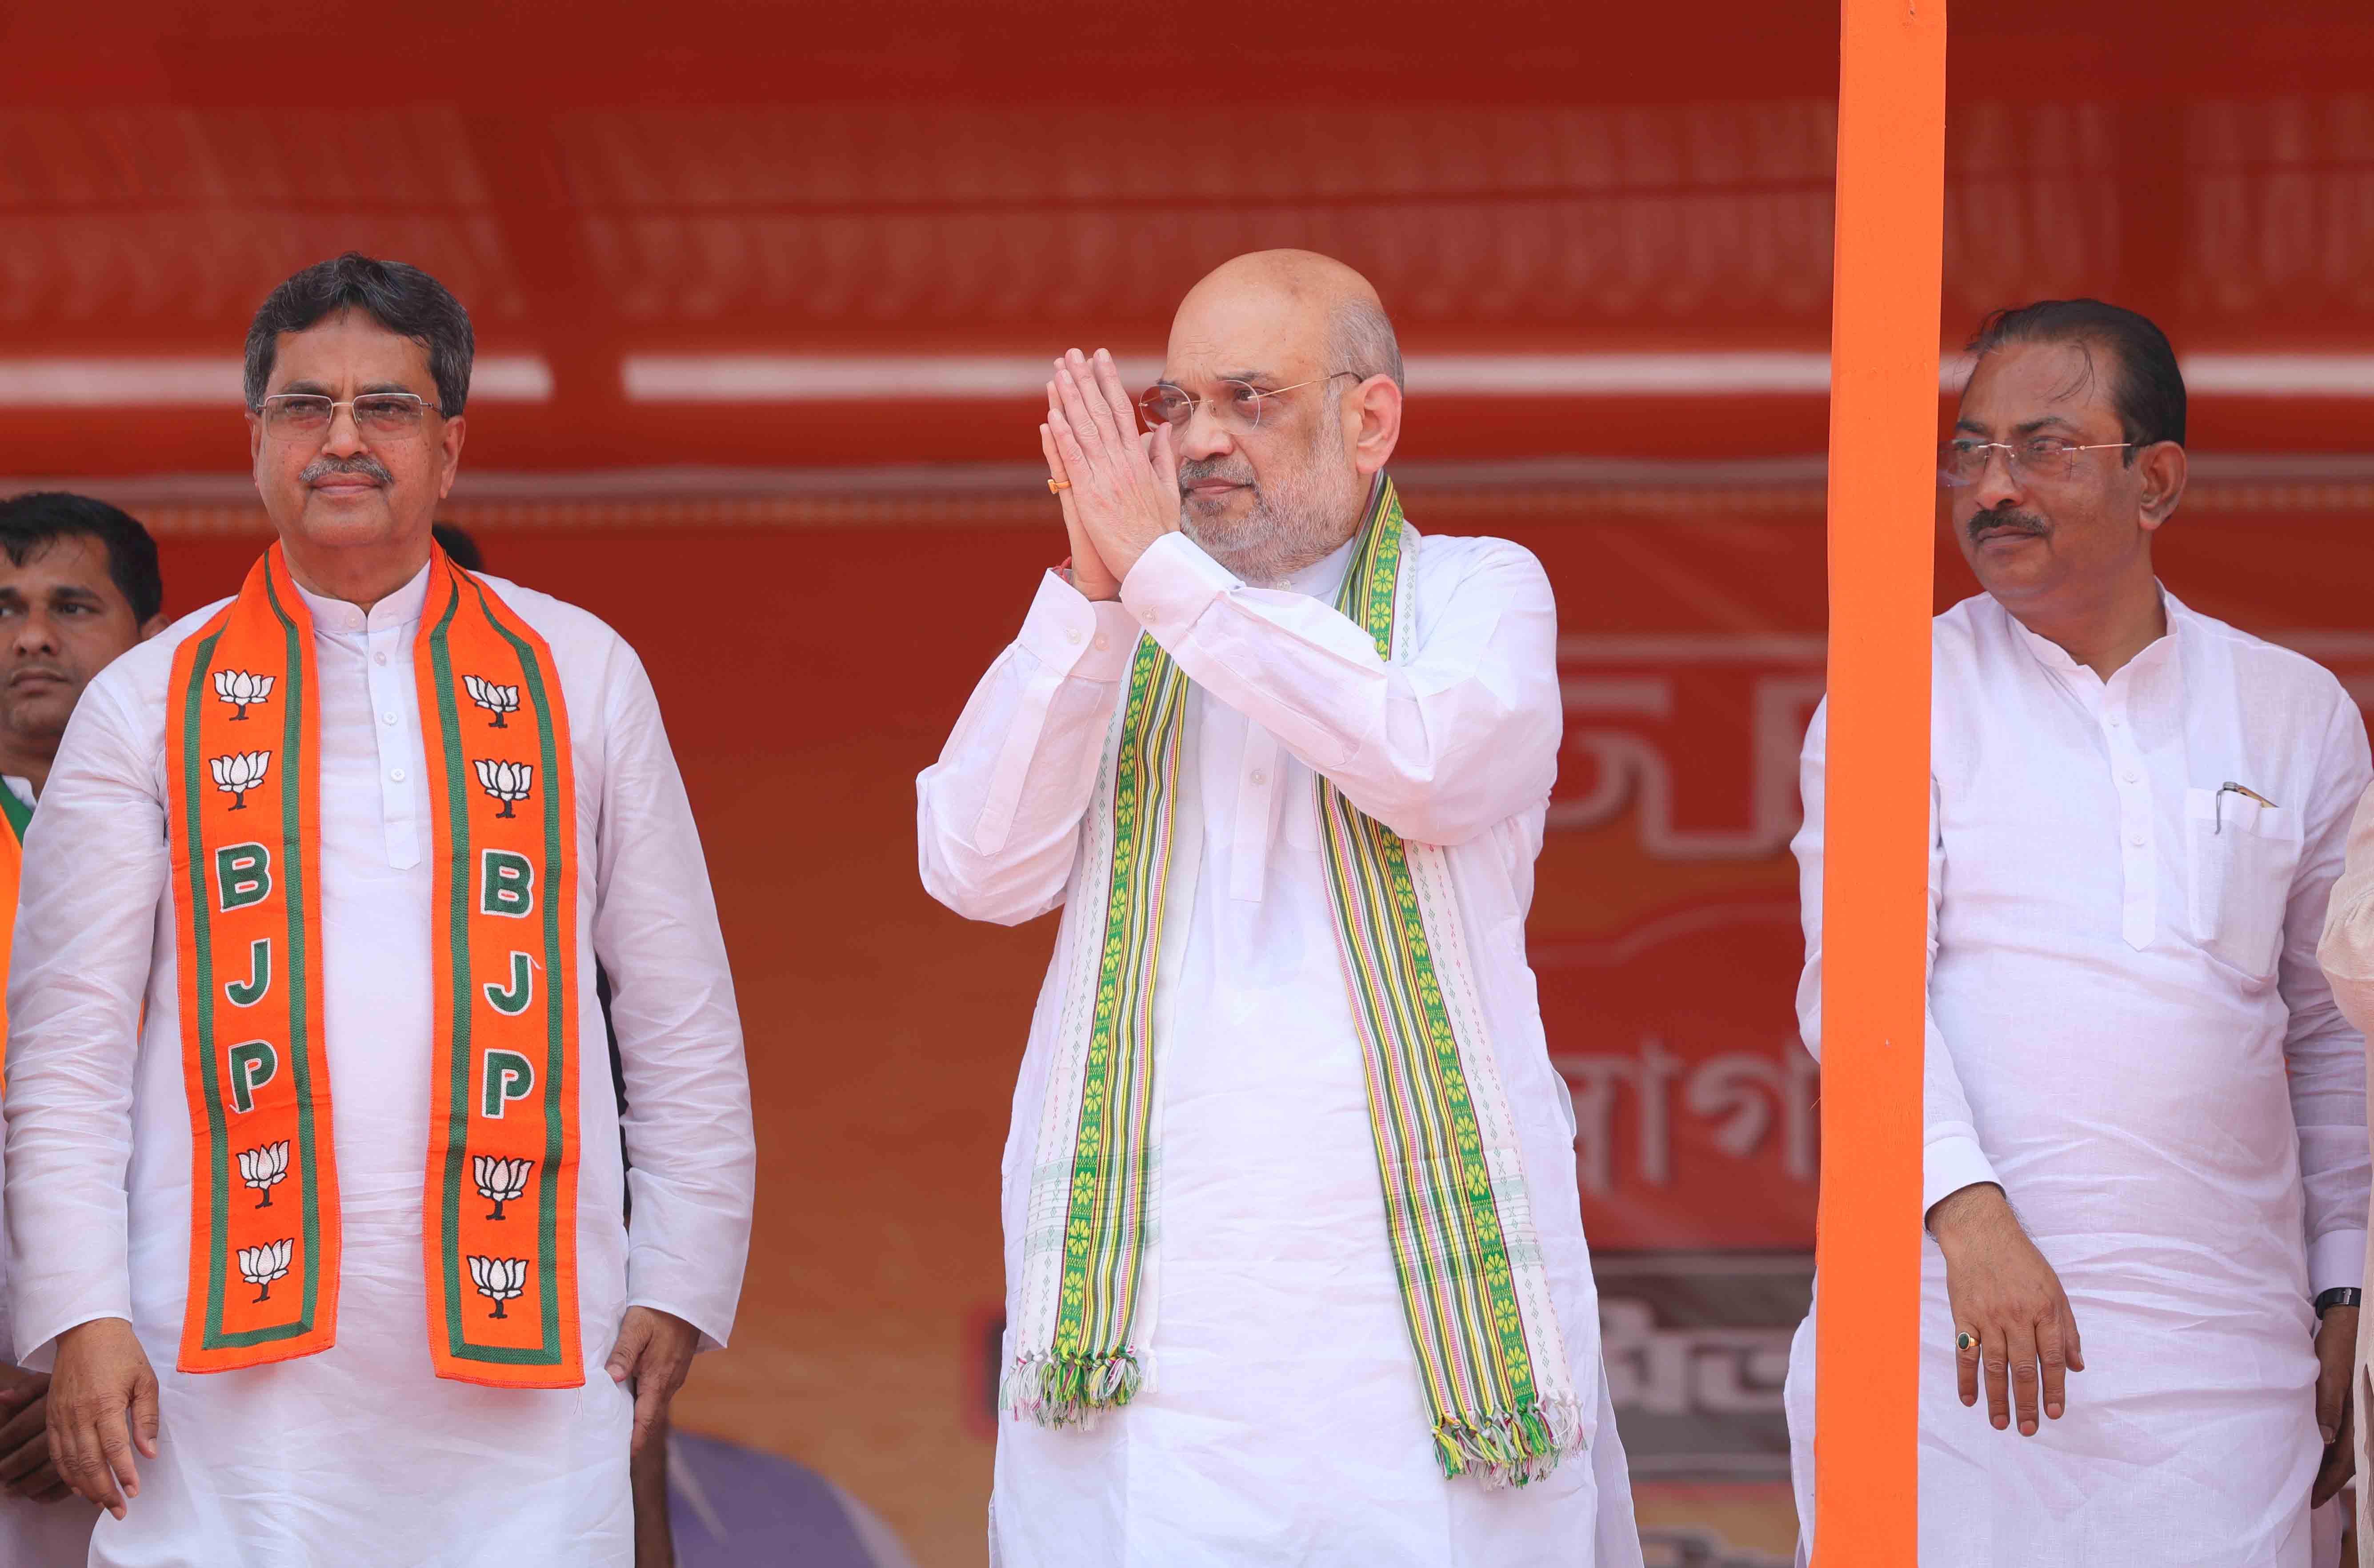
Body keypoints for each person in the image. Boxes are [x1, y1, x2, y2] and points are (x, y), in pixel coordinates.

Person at [5, 253, 756, 1565]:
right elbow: (65, 1051)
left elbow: (677, 1004)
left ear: (450, 447)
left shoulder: (577, 672)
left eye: (386, 408)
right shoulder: (149, 700)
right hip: (217, 1370)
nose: (342, 439)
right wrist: (80, 1315)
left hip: (530, 1350)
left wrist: (682, 1271)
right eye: (305, 406)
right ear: (256, 440)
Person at [917, 249, 1642, 1566]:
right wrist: (1094, 598)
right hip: (1150, 1338)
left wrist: (1159, 581)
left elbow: (1428, 762)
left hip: (1416, 1344)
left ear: (1371, 420)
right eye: (1173, 404)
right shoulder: (1120, 619)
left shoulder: (1474, 591)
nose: (1195, 442)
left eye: (1246, 400)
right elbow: (974, 867)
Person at [1785, 299, 2370, 1566]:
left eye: (2041, 449)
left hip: (2222, 1374)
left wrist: (2344, 1289)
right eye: (1969, 451)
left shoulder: (2294, 713)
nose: (1990, 487)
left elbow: (2331, 1034)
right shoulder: (1896, 689)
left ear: (2153, 480)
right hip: (1943, 1335)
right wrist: (1970, 1220)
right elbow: (1861, 988)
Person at [0, 492, 167, 1564]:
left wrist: (89, 1330)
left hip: (177, 1355)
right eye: (6, 607)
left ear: (150, 643)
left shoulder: (221, 841)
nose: (30, 637)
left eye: (71, 605)